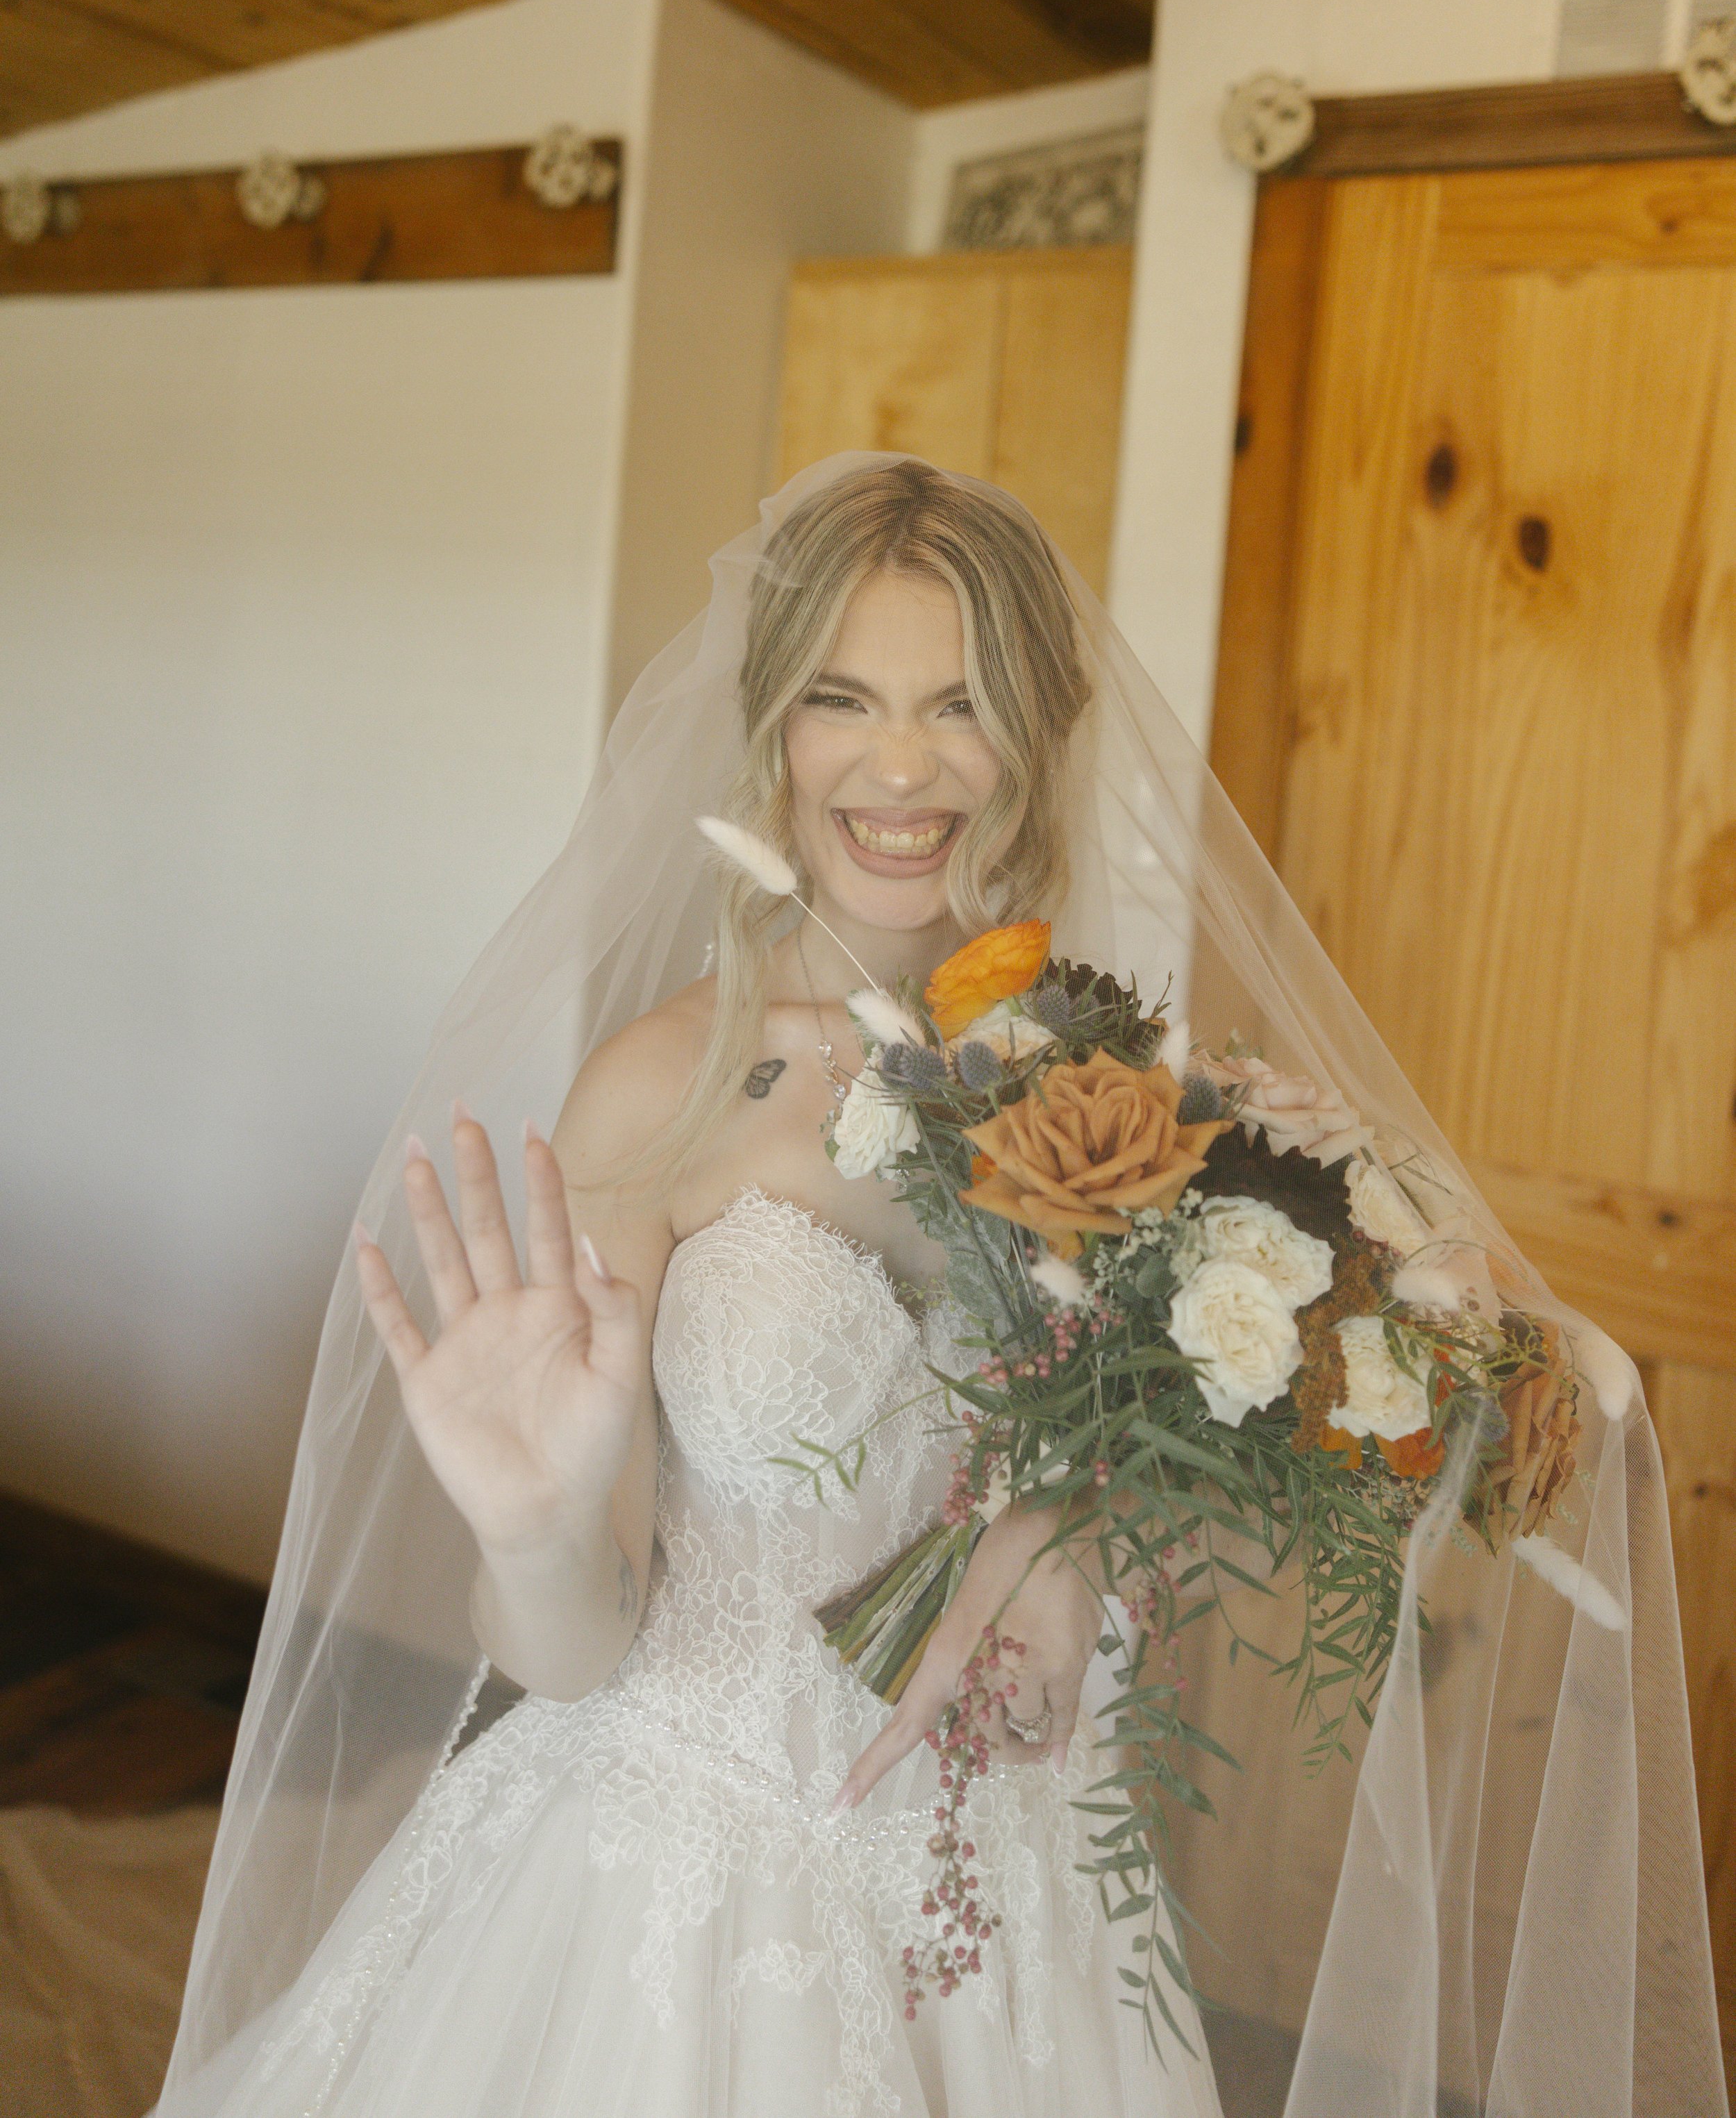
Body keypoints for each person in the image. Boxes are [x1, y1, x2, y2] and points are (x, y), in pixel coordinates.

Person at [158, 458, 1724, 2118]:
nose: (898, 764)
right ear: (773, 729)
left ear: (1036, 734)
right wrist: (534, 1525)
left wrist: (1083, 1515)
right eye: (843, 697)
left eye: (959, 701)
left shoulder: (1135, 1091)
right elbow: (567, 1647)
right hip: (677, 1891)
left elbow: (1334, 1376)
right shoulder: (662, 1089)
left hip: (1013, 1888)